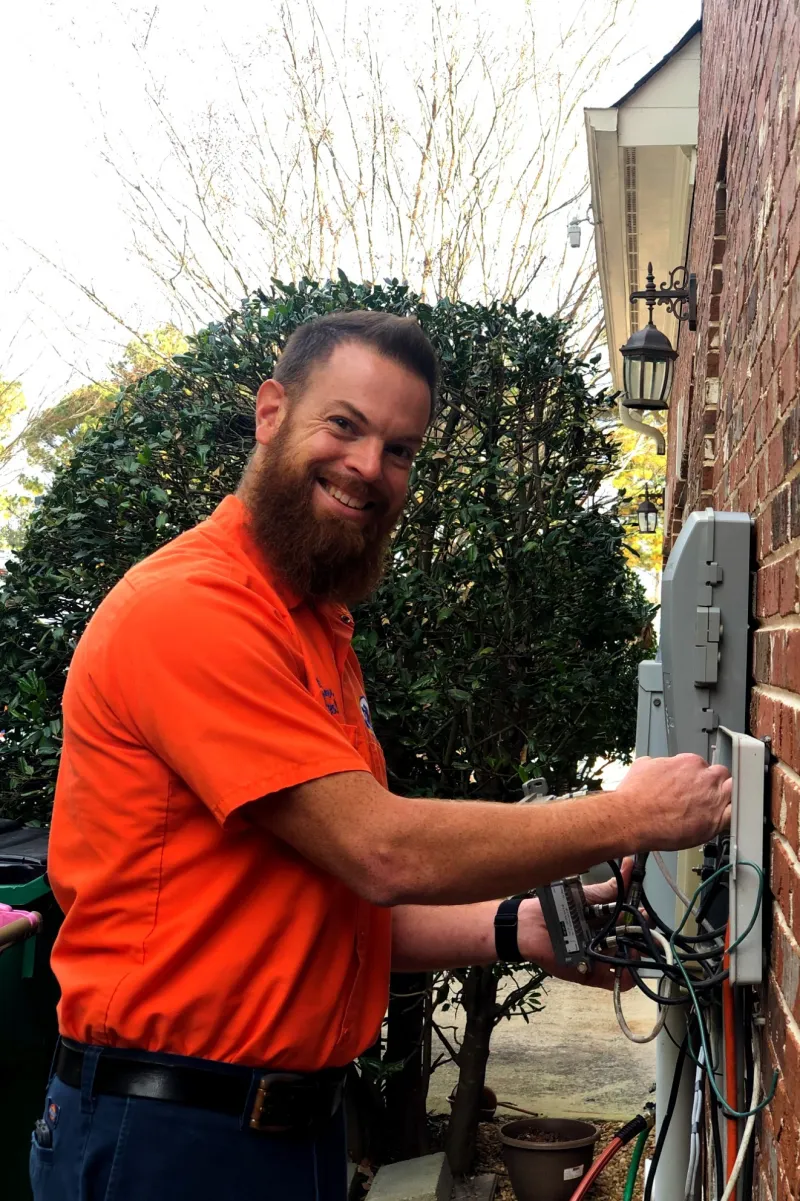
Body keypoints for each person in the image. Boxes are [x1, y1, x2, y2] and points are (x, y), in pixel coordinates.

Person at [32, 311, 731, 1201]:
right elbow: (380, 849)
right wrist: (629, 815)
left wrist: (516, 927)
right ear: (271, 412)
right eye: (344, 425)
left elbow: (339, 903)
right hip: (168, 1137)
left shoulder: (313, 628)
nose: (369, 466)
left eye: (399, 449)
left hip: (287, 1132)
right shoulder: (191, 609)